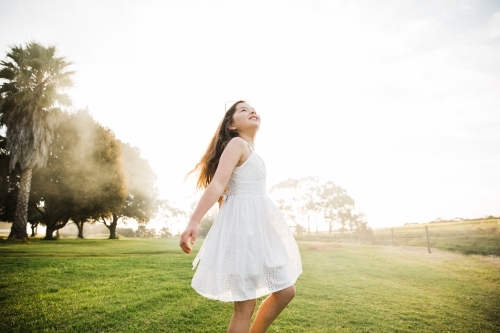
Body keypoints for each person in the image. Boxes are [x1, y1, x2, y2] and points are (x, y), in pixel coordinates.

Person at [180, 100, 302, 333]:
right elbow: (217, 184)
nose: (252, 111)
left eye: (252, 108)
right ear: (232, 125)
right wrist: (194, 221)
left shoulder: (250, 150)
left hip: (257, 231)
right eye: (243, 110)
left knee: (285, 291)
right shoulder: (236, 143)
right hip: (243, 231)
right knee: (244, 306)